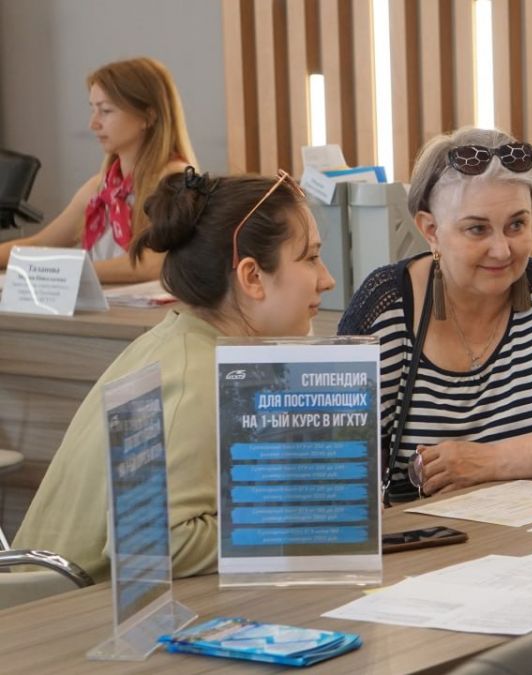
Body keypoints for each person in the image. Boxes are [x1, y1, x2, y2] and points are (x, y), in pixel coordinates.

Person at [13, 168, 335, 579]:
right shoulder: (198, 377)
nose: (327, 279)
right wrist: (310, 520)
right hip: (60, 623)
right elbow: (155, 544)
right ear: (252, 276)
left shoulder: (183, 342)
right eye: (310, 257)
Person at [339, 127, 532, 500]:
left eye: (516, 225)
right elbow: (333, 463)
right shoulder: (386, 307)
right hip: (430, 553)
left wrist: (487, 461)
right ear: (431, 230)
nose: (502, 250)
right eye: (477, 229)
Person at [0, 57, 196, 283]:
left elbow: (152, 264)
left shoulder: (177, 179)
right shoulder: (102, 187)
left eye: (106, 111)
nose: (93, 123)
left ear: (148, 117)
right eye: (93, 109)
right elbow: (40, 244)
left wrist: (67, 271)